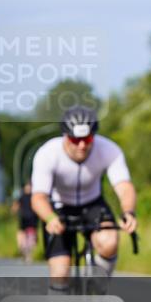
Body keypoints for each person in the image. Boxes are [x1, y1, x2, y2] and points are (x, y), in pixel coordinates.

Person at [30, 106, 138, 283]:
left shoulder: (108, 150)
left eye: (87, 139)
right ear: (65, 135)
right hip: (59, 208)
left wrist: (128, 212)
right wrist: (49, 218)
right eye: (75, 139)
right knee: (60, 272)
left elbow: (125, 187)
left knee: (110, 241)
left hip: (92, 203)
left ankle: (98, 284)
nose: (82, 145)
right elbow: (38, 197)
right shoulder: (47, 153)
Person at [12, 182, 39, 262]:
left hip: (28, 218)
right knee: (29, 236)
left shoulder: (23, 196)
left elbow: (15, 206)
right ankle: (26, 251)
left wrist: (14, 211)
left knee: (26, 235)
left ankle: (23, 248)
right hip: (30, 219)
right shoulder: (34, 196)